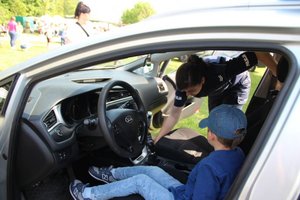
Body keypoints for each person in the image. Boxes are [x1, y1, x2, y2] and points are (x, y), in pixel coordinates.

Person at [69, 104, 247, 200]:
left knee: (140, 182)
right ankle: (113, 174)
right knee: (153, 170)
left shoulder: (210, 167)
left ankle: (87, 195)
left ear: (211, 135)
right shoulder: (238, 153)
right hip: (184, 192)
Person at [154, 51, 277, 144]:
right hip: (216, 90)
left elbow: (258, 53)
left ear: (202, 80)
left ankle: (229, 157)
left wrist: (279, 75)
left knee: (226, 129)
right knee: (213, 126)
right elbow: (174, 114)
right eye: (184, 92)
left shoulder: (221, 71)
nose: (187, 95)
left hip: (236, 86)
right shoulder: (185, 85)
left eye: (192, 91)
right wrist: (158, 139)